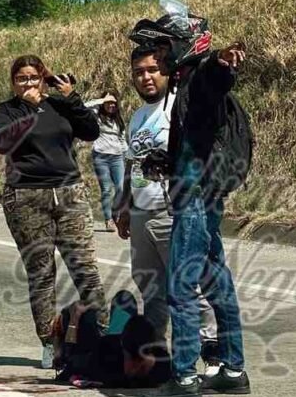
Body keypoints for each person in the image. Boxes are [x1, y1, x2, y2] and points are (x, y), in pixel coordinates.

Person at [129, 2, 251, 395]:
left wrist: (220, 62)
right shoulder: (183, 85)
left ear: (186, 43)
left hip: (196, 197)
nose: (161, 56)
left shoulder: (198, 76)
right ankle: (233, 371)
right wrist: (167, 160)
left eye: (165, 48)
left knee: (181, 286)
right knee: (217, 282)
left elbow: (214, 83)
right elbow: (197, 138)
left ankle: (183, 376)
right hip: (199, 190)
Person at [0, 54, 107, 369]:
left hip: (69, 194)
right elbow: (1, 142)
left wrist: (71, 97)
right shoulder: (7, 111)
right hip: (26, 197)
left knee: (85, 270)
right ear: (13, 83)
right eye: (22, 78)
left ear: (44, 78)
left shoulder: (59, 104)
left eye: (34, 77)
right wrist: (29, 109)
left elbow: (91, 130)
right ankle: (49, 342)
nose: (28, 83)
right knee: (42, 274)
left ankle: (103, 337)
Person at [113, 44, 221, 378]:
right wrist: (126, 206)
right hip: (143, 214)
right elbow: (133, 164)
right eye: (138, 72)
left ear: (167, 71)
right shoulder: (137, 116)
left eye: (152, 69)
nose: (145, 77)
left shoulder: (177, 106)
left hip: (174, 212)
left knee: (190, 290)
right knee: (152, 292)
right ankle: (160, 359)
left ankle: (212, 356)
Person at [86, 91, 128, 232]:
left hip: (117, 157)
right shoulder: (97, 115)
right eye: (108, 102)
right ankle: (108, 219)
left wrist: (127, 156)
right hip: (101, 157)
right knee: (106, 190)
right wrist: (102, 99)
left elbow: (122, 140)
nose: (111, 105)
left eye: (113, 102)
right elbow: (84, 106)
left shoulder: (118, 119)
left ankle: (115, 213)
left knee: (121, 188)